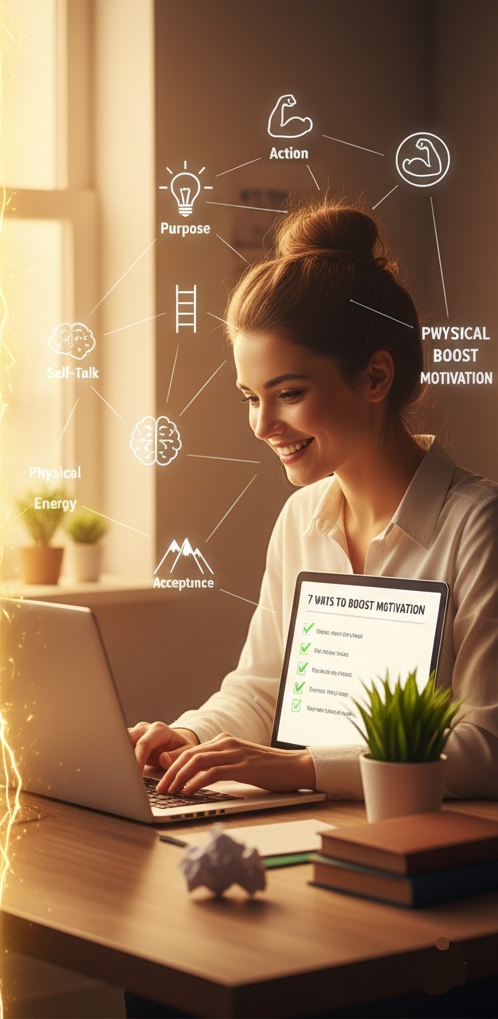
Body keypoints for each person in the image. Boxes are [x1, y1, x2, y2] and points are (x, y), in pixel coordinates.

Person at [129, 202, 498, 800]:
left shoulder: (477, 526)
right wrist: (190, 737)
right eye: (251, 398)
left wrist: (302, 768)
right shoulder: (300, 518)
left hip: (420, 836)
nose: (262, 426)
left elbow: (486, 746)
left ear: (375, 378)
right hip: (308, 824)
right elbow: (261, 687)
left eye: (289, 393)